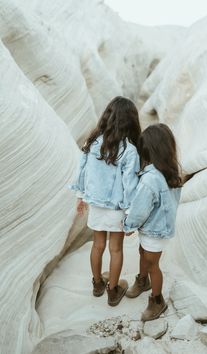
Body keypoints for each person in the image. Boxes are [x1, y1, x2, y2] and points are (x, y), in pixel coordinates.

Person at [70, 96, 141, 306]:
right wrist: (131, 213)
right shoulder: (129, 150)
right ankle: (113, 291)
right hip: (117, 208)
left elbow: (82, 170)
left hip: (96, 204)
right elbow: (130, 185)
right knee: (116, 249)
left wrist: (80, 196)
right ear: (131, 121)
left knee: (98, 245)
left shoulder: (92, 142)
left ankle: (98, 284)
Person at [123, 123, 182, 321]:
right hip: (159, 227)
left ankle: (157, 300)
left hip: (154, 229)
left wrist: (128, 225)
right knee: (144, 253)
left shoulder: (150, 179)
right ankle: (142, 281)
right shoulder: (169, 172)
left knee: (152, 264)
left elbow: (140, 209)